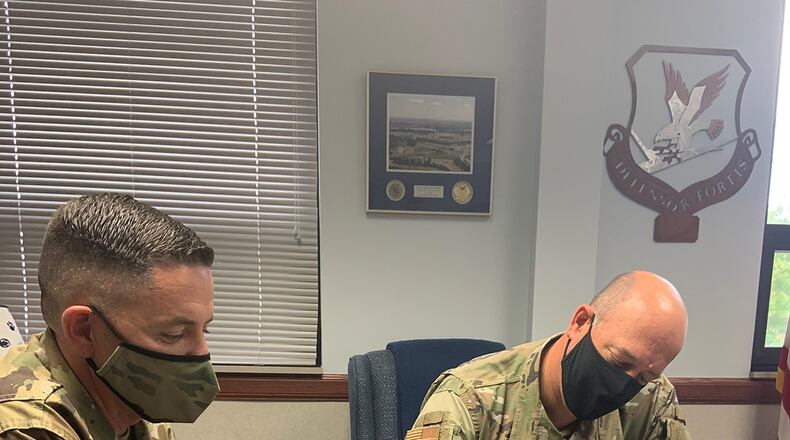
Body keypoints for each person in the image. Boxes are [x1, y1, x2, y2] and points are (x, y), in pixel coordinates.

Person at [0, 193, 219, 439]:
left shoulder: (134, 404)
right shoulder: (27, 426)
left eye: (204, 329)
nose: (202, 354)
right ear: (84, 331)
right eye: (173, 334)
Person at [407, 271, 690, 440]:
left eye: (645, 376)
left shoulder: (652, 397)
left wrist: (645, 379)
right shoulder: (470, 399)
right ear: (580, 323)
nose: (624, 384)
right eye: (619, 361)